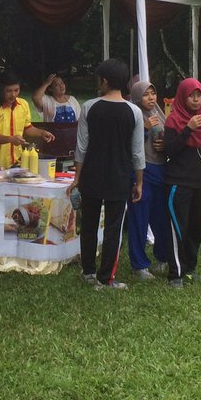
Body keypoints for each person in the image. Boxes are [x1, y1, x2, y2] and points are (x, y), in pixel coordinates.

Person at [70, 58, 144, 290]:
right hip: (119, 178)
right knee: (113, 228)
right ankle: (105, 278)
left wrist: (76, 178)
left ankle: (89, 271)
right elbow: (137, 152)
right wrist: (139, 182)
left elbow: (81, 147)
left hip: (91, 175)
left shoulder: (89, 107)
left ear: (104, 81)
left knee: (89, 225)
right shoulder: (134, 112)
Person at [164, 78, 201, 289]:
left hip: (198, 182)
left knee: (196, 228)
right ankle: (175, 273)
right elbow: (169, 150)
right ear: (182, 97)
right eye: (191, 96)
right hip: (178, 182)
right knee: (178, 228)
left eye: (199, 95)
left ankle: (190, 269)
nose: (195, 100)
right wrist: (187, 129)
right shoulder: (174, 120)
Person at [126, 80, 169, 281]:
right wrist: (143, 128)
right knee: (139, 218)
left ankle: (162, 257)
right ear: (136, 97)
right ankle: (139, 264)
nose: (151, 98)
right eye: (146, 94)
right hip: (141, 172)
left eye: (153, 93)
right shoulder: (132, 115)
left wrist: (165, 145)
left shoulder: (159, 113)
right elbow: (128, 145)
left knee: (161, 218)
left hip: (161, 170)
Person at [0, 71, 55, 169]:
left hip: (18, 161)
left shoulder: (23, 104)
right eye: (9, 91)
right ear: (1, 89)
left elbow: (28, 128)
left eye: (16, 90)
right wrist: (11, 139)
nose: (13, 94)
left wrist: (42, 133)